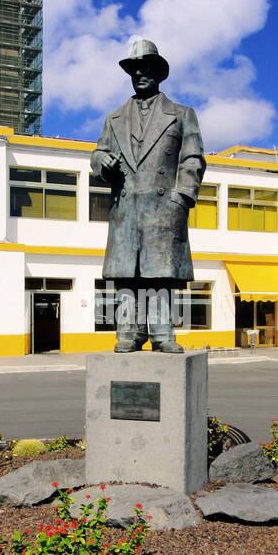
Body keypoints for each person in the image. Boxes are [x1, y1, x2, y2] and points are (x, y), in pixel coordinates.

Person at [90, 39, 205, 352]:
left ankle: (162, 333)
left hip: (163, 208)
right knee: (127, 275)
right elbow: (97, 154)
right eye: (134, 68)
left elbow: (192, 158)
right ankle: (128, 332)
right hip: (126, 206)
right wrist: (104, 164)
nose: (139, 73)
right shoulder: (113, 119)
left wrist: (180, 198)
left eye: (146, 67)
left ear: (159, 72)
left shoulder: (182, 115)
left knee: (158, 276)